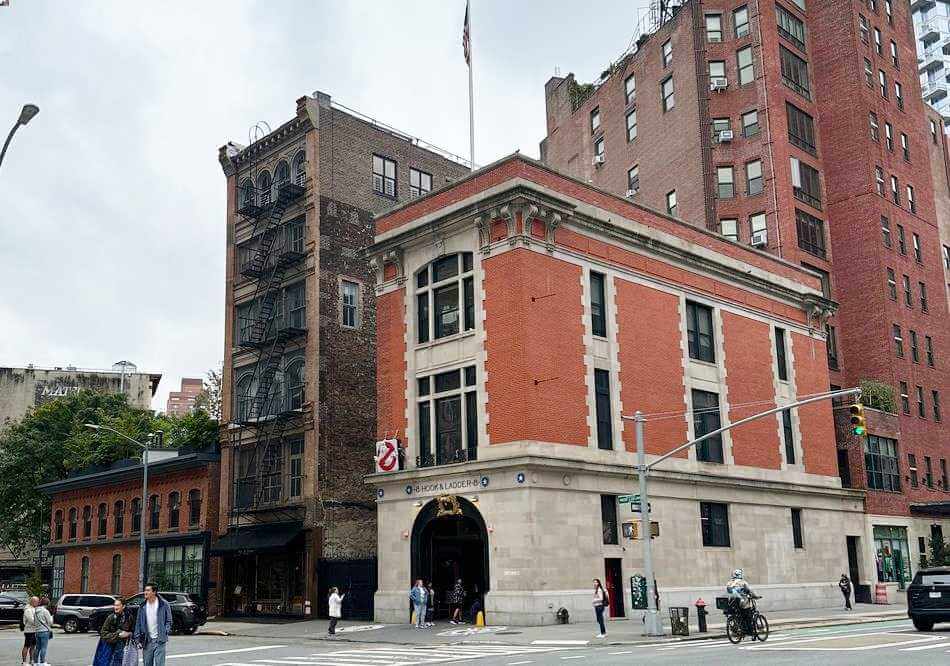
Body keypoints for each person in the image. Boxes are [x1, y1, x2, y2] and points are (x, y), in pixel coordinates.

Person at [133, 582, 172, 666]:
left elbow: (169, 620)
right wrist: (137, 639)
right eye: (145, 590)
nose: (145, 592)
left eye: (148, 590)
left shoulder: (164, 604)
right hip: (147, 641)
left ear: (154, 592)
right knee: (147, 664)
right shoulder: (142, 606)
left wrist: (165, 631)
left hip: (160, 640)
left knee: (160, 664)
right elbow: (138, 623)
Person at [95, 598, 132, 666]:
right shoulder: (111, 617)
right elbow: (103, 633)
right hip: (109, 647)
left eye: (118, 605)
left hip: (122, 647)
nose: (115, 607)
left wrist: (128, 634)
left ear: (123, 606)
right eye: (115, 605)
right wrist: (118, 634)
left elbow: (132, 631)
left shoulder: (129, 617)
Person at [33, 596, 54, 666]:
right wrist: (51, 617)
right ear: (47, 604)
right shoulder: (45, 611)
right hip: (44, 631)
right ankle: (42, 662)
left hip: (37, 631)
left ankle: (35, 662)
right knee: (43, 647)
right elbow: (50, 622)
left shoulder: (35, 611)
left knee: (37, 647)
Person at [21, 595, 37, 666]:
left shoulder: (34, 609)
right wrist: (39, 622)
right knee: (27, 646)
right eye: (36, 601)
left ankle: (31, 660)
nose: (38, 603)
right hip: (29, 631)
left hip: (34, 630)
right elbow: (31, 620)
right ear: (32, 602)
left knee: (33, 646)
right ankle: (24, 662)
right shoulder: (28, 610)